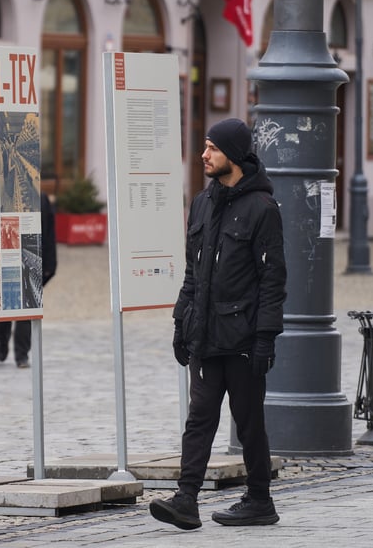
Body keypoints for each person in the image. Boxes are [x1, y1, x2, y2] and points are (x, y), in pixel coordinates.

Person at [149, 118, 287, 530]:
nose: (203, 155)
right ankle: (186, 500)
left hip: (243, 340)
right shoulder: (203, 203)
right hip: (205, 336)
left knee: (249, 424)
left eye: (211, 147)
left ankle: (260, 499)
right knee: (199, 419)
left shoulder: (263, 210)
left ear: (234, 154)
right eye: (204, 146)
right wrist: (181, 322)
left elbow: (273, 280)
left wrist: (265, 339)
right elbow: (193, 272)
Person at [0, 192, 57, 368]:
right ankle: (2, 340)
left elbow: (49, 232)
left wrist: (50, 264)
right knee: (6, 305)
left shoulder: (41, 198)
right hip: (7, 256)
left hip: (32, 259)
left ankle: (22, 354)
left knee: (26, 309)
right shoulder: (2, 196)